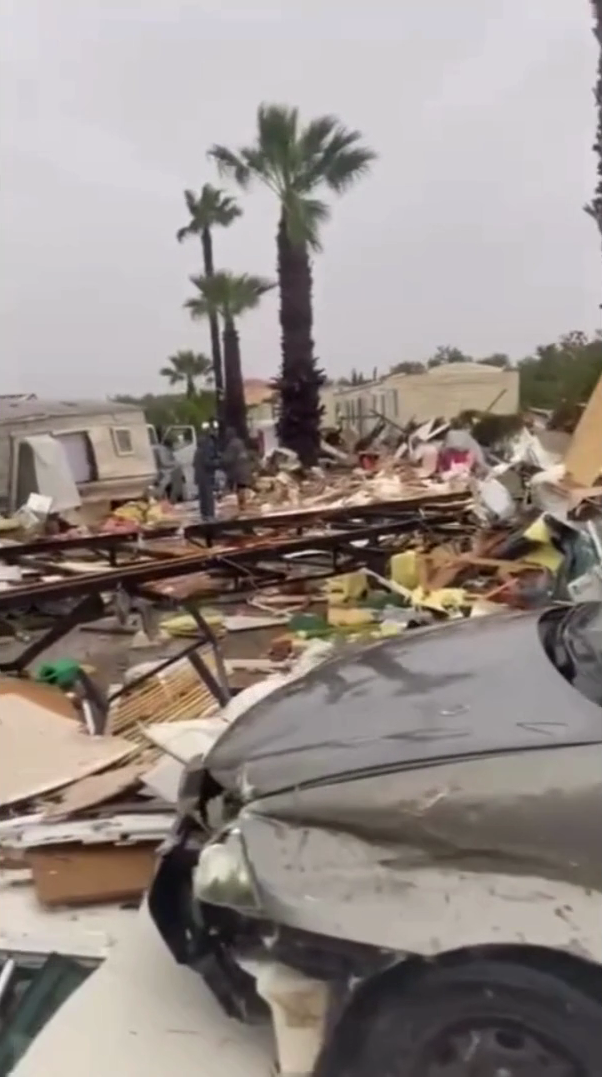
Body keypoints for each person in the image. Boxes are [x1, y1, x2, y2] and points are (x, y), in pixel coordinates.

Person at [222, 427, 252, 512]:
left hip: (237, 470)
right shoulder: (240, 442)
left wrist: (222, 459)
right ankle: (243, 505)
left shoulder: (232, 445)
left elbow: (229, 458)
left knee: (238, 487)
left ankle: (241, 506)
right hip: (244, 467)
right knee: (241, 487)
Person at [193, 422, 218, 520]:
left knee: (203, 497)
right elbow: (208, 463)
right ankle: (209, 515)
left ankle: (204, 515)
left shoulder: (198, 451)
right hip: (206, 476)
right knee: (208, 497)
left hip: (200, 477)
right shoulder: (205, 451)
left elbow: (195, 464)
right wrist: (217, 463)